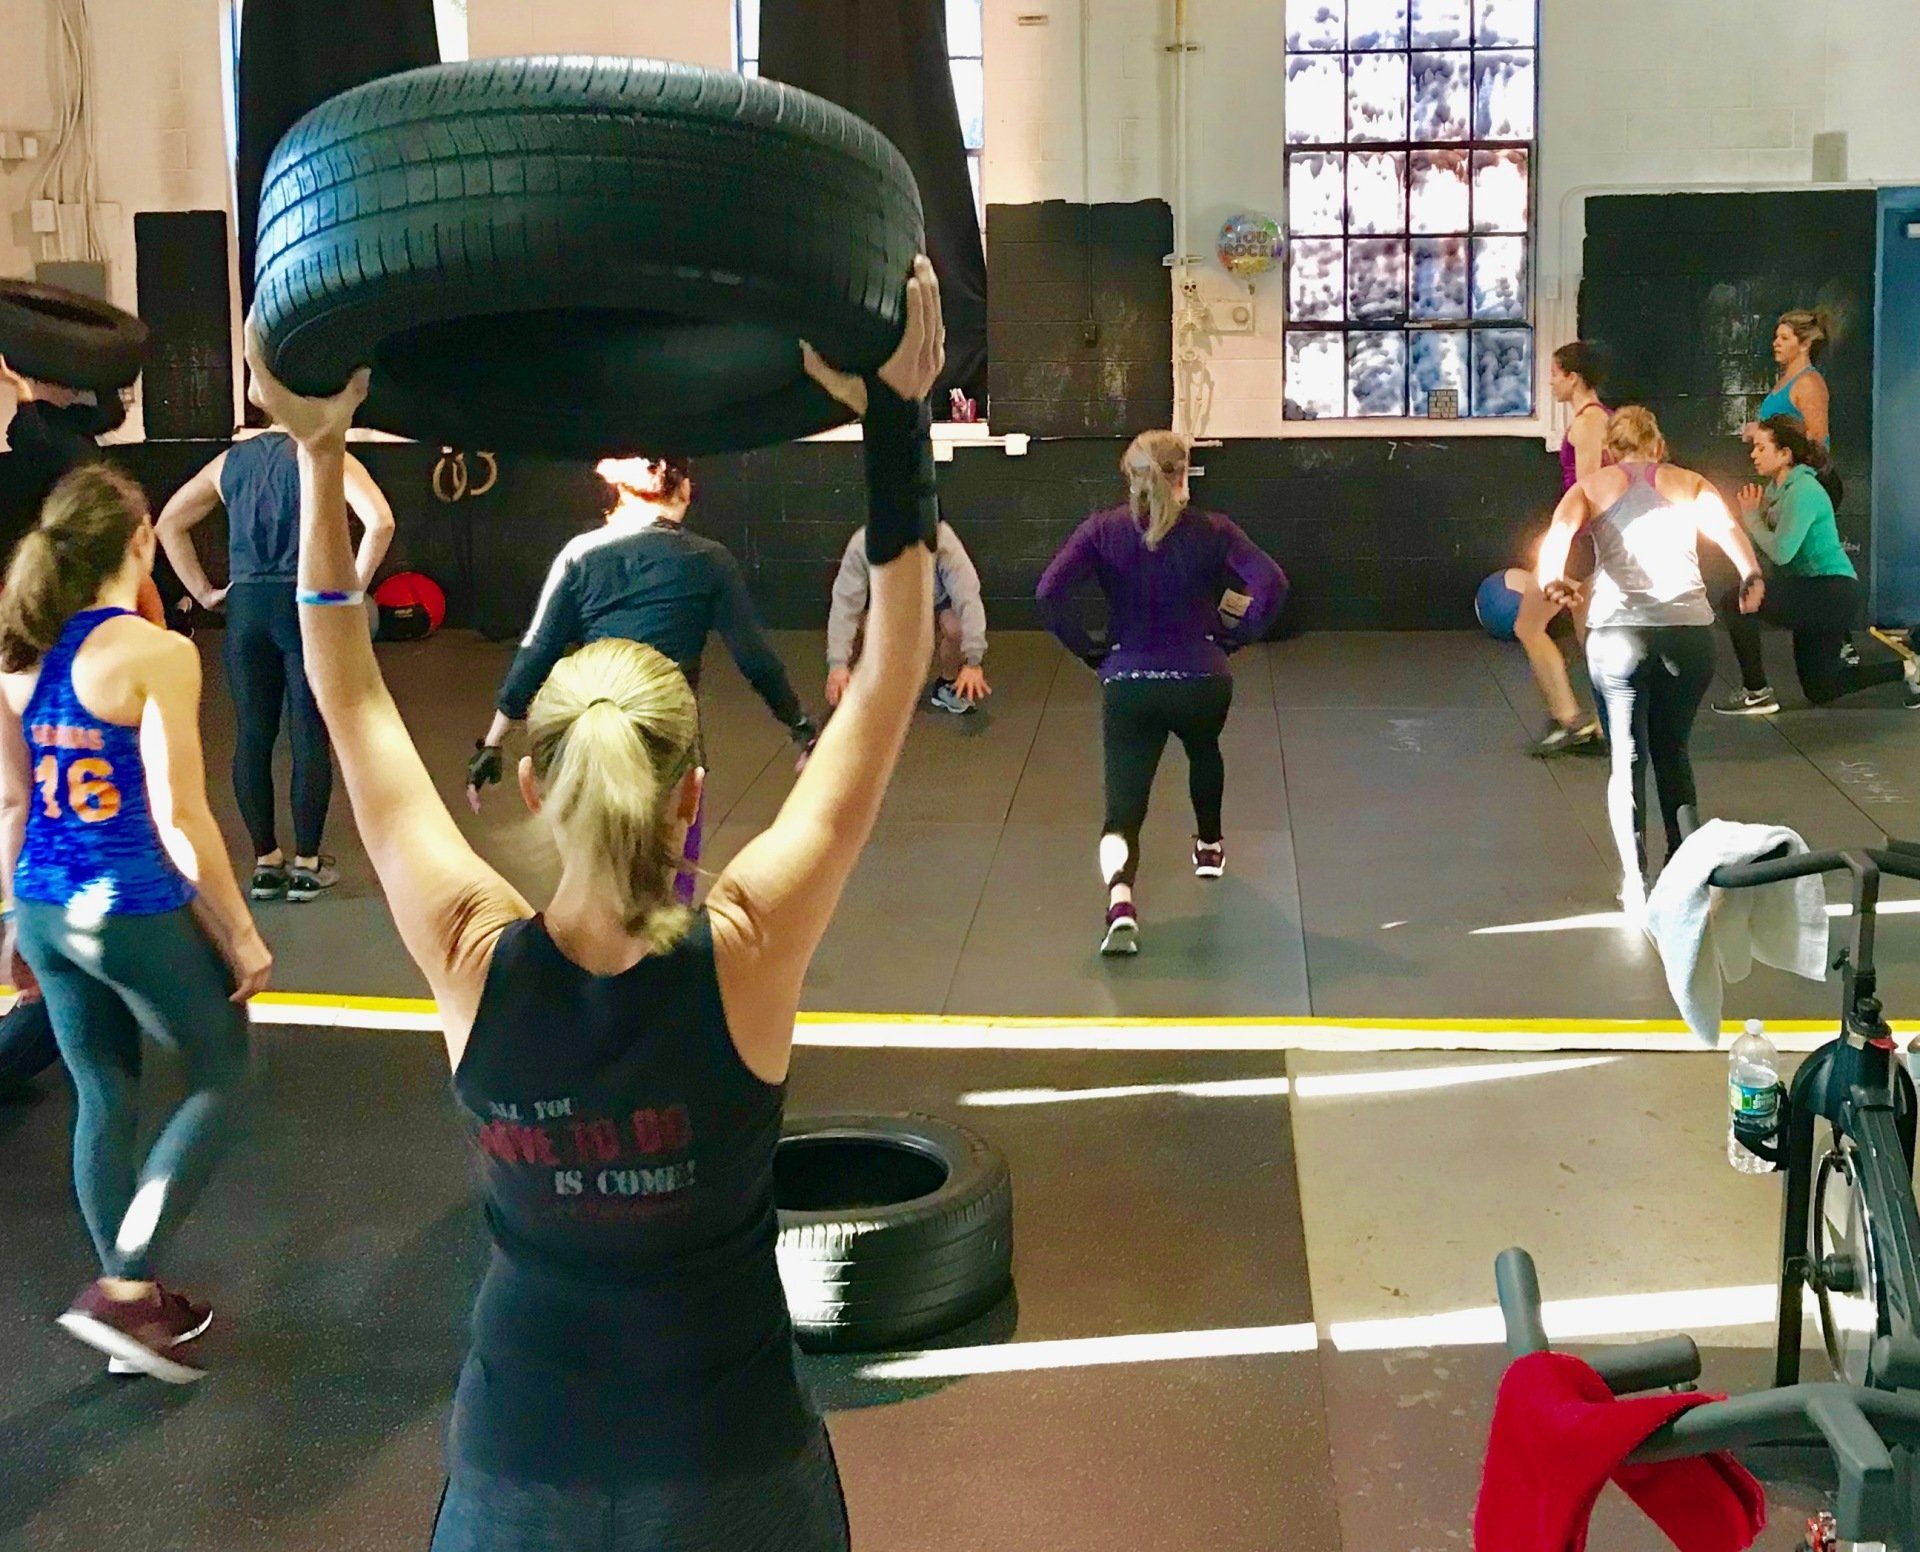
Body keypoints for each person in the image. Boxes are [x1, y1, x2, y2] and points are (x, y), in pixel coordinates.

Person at [248, 253, 943, 1552]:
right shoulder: (742, 950)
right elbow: (892, 675)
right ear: (693, 804)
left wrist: (317, 447)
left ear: (528, 779)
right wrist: (896, 413)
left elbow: (343, 689)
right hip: (729, 1473)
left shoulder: (468, 952)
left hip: (522, 1473)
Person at [0, 462, 270, 1381]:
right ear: (142, 541)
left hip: (43, 906)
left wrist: (12, 922)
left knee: (105, 1095)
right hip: (129, 909)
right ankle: (120, 1291)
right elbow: (179, 817)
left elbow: (12, 803)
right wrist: (239, 930)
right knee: (225, 1074)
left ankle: (135, 1311)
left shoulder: (19, 659)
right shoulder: (158, 654)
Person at [465, 454, 817, 904]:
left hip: (589, 741)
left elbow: (536, 652)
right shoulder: (710, 560)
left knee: (593, 881)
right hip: (670, 740)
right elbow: (755, 659)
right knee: (671, 886)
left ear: (618, 492)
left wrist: (493, 743)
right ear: (686, 491)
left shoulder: (581, 555)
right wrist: (798, 725)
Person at [1035, 429, 1287, 956]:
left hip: (1129, 682)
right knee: (1204, 750)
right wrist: (1239, 637)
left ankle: (1121, 902)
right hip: (1202, 679)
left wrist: (1090, 650)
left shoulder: (1102, 531)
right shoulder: (1215, 530)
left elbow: (1049, 592)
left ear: (1130, 476)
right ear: (1182, 475)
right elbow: (1273, 584)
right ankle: (1210, 848)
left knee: (1121, 811)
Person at [1536, 407, 1766, 918]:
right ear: (1658, 447)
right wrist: (1751, 574)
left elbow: (1557, 535)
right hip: (1688, 637)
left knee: (1628, 759)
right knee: (1673, 751)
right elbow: (1726, 527)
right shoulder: (1689, 481)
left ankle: (1636, 884)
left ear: (1615, 451)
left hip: (1619, 639)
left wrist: (1552, 576)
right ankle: (1684, 875)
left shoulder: (1593, 486)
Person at [157, 426, 395, 901]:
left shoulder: (230, 462)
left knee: (253, 734)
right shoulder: (323, 453)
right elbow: (381, 522)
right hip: (306, 603)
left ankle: (266, 864)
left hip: (246, 610)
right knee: (308, 731)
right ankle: (307, 865)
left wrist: (204, 593)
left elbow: (168, 523)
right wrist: (349, 592)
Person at [1711, 415, 1918, 716]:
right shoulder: (1774, 491)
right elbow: (1769, 546)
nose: (1753, 454)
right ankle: (1910, 669)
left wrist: (1752, 518)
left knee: (1735, 600)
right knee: (1821, 689)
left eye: (1760, 448)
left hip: (1832, 591)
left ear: (1785, 454)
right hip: (1813, 591)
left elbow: (1781, 552)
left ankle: (1756, 692)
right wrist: (1756, 530)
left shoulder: (1804, 491)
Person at [1515, 342, 1611, 758]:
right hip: (1588, 541)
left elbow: (1589, 487)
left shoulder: (1589, 423)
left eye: (1555, 373)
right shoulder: (1598, 418)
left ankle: (1570, 719)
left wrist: (1565, 544)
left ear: (1573, 377)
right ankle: (1609, 725)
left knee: (1529, 627)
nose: (1551, 381)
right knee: (1590, 635)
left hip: (1579, 541)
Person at [825, 513, 989, 714]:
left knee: (957, 628)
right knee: (861, 625)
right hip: (889, 605)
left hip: (935, 601)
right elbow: (845, 605)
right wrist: (838, 664)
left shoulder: (941, 539)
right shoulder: (863, 544)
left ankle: (947, 685)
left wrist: (973, 661)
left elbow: (968, 597)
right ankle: (863, 685)